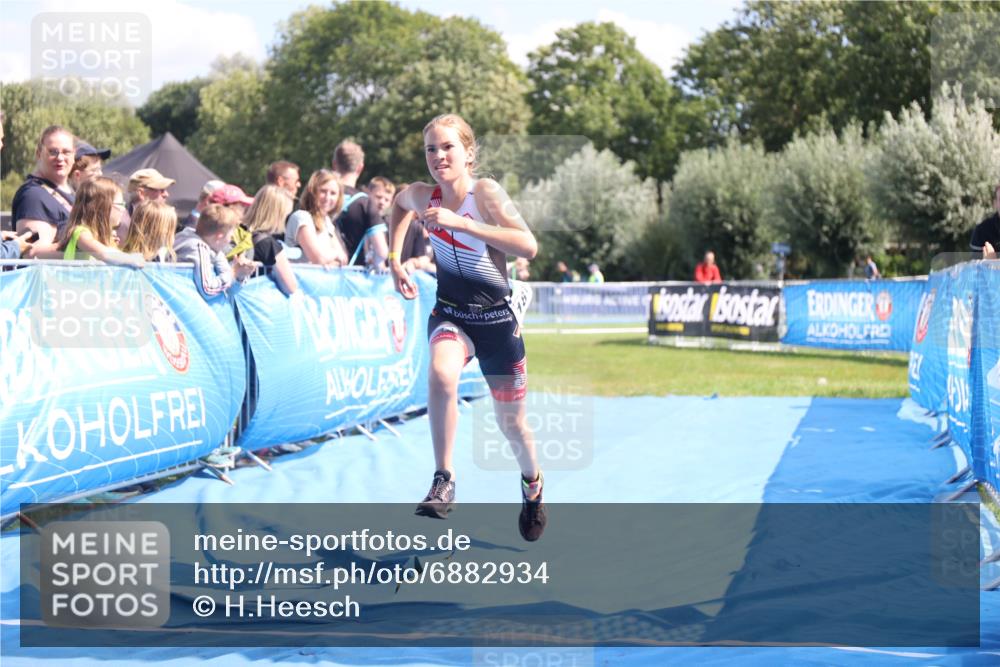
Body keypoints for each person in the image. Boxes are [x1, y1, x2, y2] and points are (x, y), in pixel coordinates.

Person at [389, 113, 545, 541]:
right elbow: (398, 205)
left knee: (513, 426)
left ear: (469, 153)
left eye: (447, 147)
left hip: (497, 324)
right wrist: (394, 260)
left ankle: (532, 486)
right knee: (441, 374)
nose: (438, 156)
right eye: (430, 149)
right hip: (452, 314)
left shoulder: (486, 192)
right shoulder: (423, 196)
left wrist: (461, 223)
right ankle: (444, 479)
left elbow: (528, 245)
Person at [49, 177, 142, 266]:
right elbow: (104, 254)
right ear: (102, 207)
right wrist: (131, 259)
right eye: (120, 204)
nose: (123, 209)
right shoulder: (81, 233)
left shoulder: (105, 236)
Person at [12, 125, 76, 249]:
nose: (60, 158)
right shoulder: (33, 196)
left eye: (66, 152)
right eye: (53, 152)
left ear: (74, 155)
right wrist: (86, 249)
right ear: (38, 154)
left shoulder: (73, 193)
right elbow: (31, 252)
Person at [332, 141, 388, 268]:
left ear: (334, 164)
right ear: (360, 167)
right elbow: (381, 251)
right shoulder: (365, 202)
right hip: (352, 273)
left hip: (318, 271)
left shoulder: (321, 196)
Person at [173, 203, 241, 300]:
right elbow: (208, 290)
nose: (232, 238)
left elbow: (230, 289)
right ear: (219, 236)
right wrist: (233, 273)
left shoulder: (206, 244)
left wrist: (238, 275)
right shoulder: (198, 248)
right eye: (231, 234)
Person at [285, 169, 349, 268]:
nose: (327, 197)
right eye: (323, 191)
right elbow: (319, 259)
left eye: (333, 193)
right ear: (313, 192)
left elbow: (343, 259)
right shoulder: (302, 217)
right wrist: (335, 255)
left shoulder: (327, 221)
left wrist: (332, 259)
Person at [244, 185, 299, 295]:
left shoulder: (238, 232)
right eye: (287, 215)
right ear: (278, 215)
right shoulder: (268, 244)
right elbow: (291, 288)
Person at [971, 182, 1000, 259]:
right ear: (995, 203)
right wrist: (989, 262)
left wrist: (994, 261)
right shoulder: (981, 231)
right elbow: (975, 264)